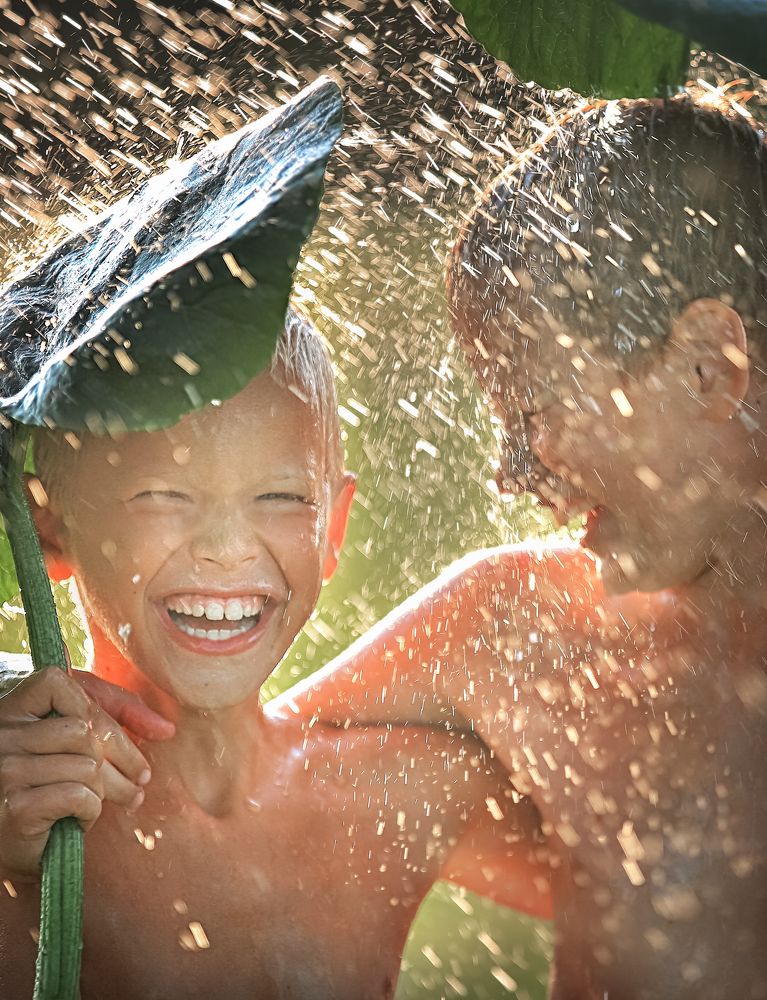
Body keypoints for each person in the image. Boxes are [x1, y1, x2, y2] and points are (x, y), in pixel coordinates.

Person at [271, 95, 767, 999]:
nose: (506, 476)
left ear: (708, 367)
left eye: (529, 412)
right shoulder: (515, 633)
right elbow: (225, 767)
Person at [0, 310, 548, 1000]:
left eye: (279, 496)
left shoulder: (400, 793)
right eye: (160, 494)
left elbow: (669, 892)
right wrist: (27, 890)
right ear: (51, 530)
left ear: (331, 527)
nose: (226, 546)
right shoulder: (6, 816)